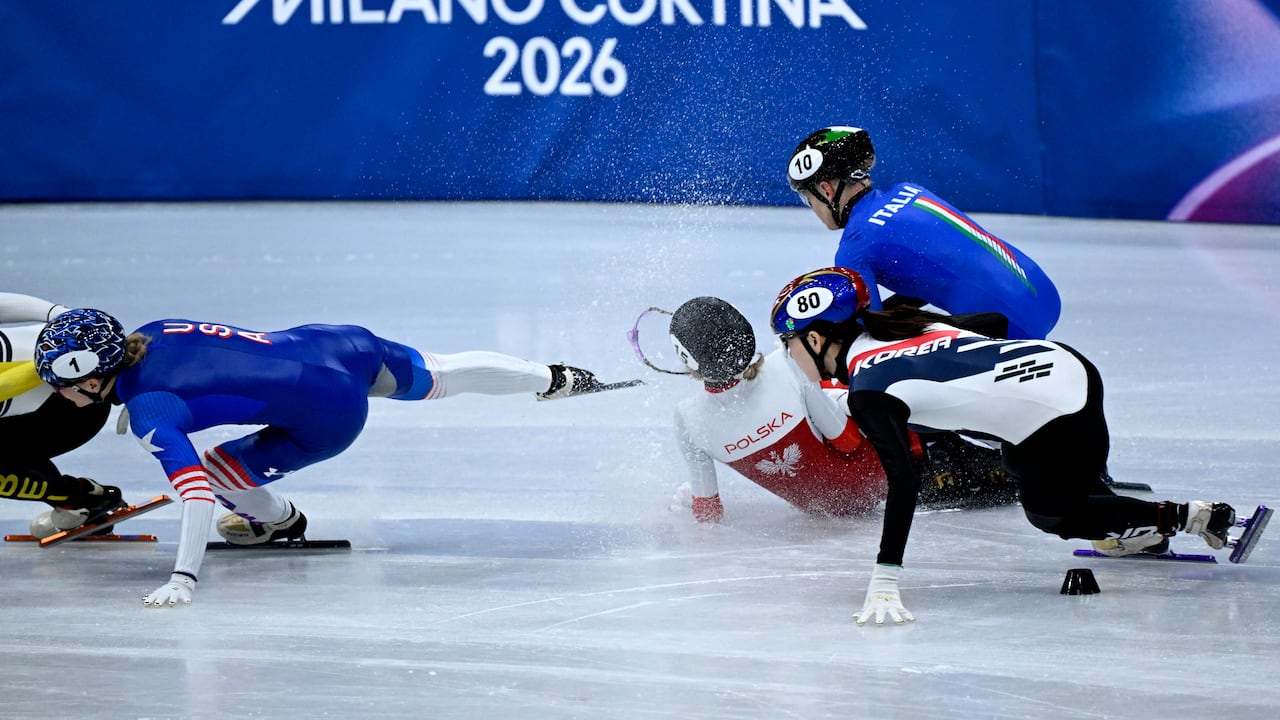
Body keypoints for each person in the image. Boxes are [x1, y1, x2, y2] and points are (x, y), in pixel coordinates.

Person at [34, 308, 618, 608]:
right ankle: (558, 377)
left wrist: (183, 577)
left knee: (213, 472)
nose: (55, 392)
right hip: (333, 343)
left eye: (58, 381)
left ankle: (279, 521)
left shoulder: (151, 410)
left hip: (329, 415)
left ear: (91, 373)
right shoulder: (150, 330)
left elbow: (194, 495)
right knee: (444, 374)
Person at [768, 267, 1238, 627]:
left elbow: (905, 482)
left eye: (789, 344)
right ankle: (1126, 515)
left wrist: (885, 578)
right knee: (1018, 462)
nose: (790, 357)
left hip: (1059, 420)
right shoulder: (903, 326)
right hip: (1070, 369)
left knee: (1050, 512)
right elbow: (991, 320)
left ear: (814, 338)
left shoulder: (869, 390)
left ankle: (1189, 517)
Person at [665, 296, 1016, 523]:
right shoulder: (785, 366)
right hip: (894, 469)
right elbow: (846, 441)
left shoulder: (688, 418)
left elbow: (707, 510)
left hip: (831, 508)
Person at [786, 126, 1062, 340]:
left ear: (826, 190)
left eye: (807, 198)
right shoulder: (908, 190)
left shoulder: (855, 246)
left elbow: (868, 335)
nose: (812, 208)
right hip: (1044, 293)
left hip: (1010, 328)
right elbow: (930, 271)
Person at [1, 293, 126, 537]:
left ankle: (81, 497)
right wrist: (56, 313)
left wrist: (59, 315)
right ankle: (77, 501)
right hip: (66, 388)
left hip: (75, 408)